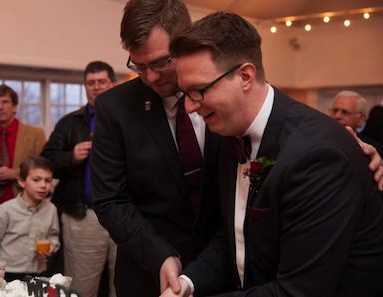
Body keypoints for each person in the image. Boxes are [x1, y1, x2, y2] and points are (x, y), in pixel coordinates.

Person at [160, 11, 383, 297]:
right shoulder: (228, 134)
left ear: (245, 76)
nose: (190, 107)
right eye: (185, 94)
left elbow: (299, 291)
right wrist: (186, 285)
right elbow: (236, 238)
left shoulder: (317, 156)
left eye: (198, 91)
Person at [90, 1, 222, 296]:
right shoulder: (115, 108)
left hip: (224, 270)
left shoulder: (221, 90)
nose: (150, 77)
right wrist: (159, 254)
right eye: (139, 65)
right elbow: (110, 201)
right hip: (148, 271)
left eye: (162, 62)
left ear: (186, 40)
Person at [40, 61, 117, 297]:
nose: (96, 87)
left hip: (124, 217)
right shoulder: (69, 123)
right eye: (90, 83)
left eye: (101, 82)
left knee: (125, 286)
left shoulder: (129, 120)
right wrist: (70, 156)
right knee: (82, 289)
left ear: (112, 84)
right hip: (83, 217)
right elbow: (46, 161)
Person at [0, 84, 46, 228]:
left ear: (15, 107)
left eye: (5, 102)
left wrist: (16, 173)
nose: (0, 107)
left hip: (25, 208)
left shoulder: (35, 135)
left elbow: (45, 169)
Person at [0, 156, 60, 282]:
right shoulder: (6, 210)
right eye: (36, 180)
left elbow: (53, 236)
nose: (43, 185)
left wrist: (51, 246)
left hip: (38, 272)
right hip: (8, 272)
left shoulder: (51, 209)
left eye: (48, 180)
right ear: (21, 181)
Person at [329, 90, 383, 155]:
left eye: (345, 112)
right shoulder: (319, 140)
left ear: (360, 119)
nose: (337, 116)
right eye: (335, 111)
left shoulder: (374, 150)